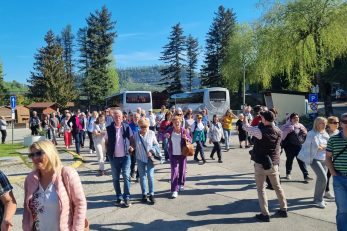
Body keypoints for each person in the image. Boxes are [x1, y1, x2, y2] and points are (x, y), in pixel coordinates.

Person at [23, 140, 87, 230]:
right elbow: (26, 208)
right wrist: (26, 227)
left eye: (39, 153)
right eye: (32, 155)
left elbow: (80, 203)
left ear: (50, 153)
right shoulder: (30, 179)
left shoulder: (67, 173)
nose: (35, 158)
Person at [243, 111, 288, 222]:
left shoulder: (259, 131)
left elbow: (246, 127)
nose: (260, 119)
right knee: (277, 187)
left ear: (265, 119)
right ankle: (283, 209)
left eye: (261, 117)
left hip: (261, 164)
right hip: (274, 163)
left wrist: (245, 116)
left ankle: (265, 214)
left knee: (261, 189)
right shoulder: (278, 131)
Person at [105, 109, 135, 208]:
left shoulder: (127, 127)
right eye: (115, 116)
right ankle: (119, 197)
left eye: (119, 116)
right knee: (115, 178)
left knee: (126, 176)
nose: (117, 118)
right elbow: (106, 142)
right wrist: (108, 153)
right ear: (113, 117)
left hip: (126, 156)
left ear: (122, 117)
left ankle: (126, 197)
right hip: (114, 158)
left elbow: (132, 139)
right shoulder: (109, 128)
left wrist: (132, 146)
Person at [300, 117, 330, 208]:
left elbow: (328, 145)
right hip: (314, 159)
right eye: (321, 123)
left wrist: (322, 146)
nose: (324, 125)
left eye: (325, 123)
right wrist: (322, 147)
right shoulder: (311, 133)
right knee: (323, 178)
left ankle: (318, 198)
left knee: (321, 179)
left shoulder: (325, 133)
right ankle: (318, 200)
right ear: (316, 124)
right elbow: (314, 147)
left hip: (324, 158)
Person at [326, 112, 347, 231]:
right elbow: (328, 157)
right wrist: (333, 173)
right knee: (343, 209)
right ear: (341, 124)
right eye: (345, 121)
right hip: (340, 179)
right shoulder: (333, 140)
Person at [281, 113, 313, 182]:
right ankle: (288, 173)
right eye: (294, 117)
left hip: (298, 145)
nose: (296, 119)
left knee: (301, 160)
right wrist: (288, 130)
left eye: (297, 117)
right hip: (289, 146)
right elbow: (282, 136)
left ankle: (306, 175)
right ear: (291, 119)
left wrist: (304, 132)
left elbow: (305, 133)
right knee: (290, 160)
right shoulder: (286, 126)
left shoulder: (300, 125)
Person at [165, 115, 191, 198]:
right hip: (173, 154)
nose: (177, 123)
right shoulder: (170, 130)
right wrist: (165, 136)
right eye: (175, 122)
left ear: (180, 122)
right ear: (172, 123)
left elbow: (190, 139)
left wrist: (186, 138)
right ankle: (174, 190)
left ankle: (181, 184)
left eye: (178, 122)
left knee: (182, 170)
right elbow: (161, 136)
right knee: (174, 172)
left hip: (182, 154)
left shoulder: (184, 131)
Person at [134, 118, 159, 204]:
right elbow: (133, 145)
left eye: (145, 126)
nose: (144, 128)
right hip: (140, 158)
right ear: (139, 126)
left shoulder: (151, 133)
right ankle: (144, 194)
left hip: (149, 158)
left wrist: (152, 151)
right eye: (142, 126)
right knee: (142, 177)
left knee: (150, 176)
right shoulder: (136, 134)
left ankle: (151, 194)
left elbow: (156, 144)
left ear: (148, 126)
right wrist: (131, 148)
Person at [324, 116, 340, 199]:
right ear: (329, 124)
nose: (336, 124)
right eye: (334, 122)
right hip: (327, 158)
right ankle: (326, 191)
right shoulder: (325, 133)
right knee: (327, 175)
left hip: (337, 158)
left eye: (337, 122)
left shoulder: (339, 132)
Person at [129, 113, 141, 179]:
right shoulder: (129, 125)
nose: (136, 118)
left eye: (137, 117)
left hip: (140, 146)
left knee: (139, 161)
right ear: (132, 118)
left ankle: (138, 176)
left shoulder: (141, 125)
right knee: (132, 161)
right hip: (132, 146)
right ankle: (132, 171)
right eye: (135, 117)